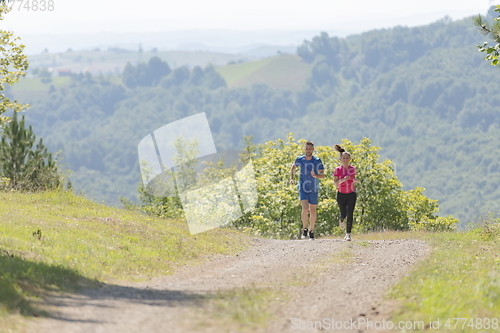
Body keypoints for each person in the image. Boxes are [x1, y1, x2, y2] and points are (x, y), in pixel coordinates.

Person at [289, 141, 325, 240]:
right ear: (304, 149)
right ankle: (305, 229)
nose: (308, 150)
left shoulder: (317, 160)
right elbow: (293, 168)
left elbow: (323, 175)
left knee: (312, 210)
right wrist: (291, 178)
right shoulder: (300, 159)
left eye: (310, 149)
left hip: (313, 188)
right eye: (307, 148)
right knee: (305, 209)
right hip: (303, 187)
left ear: (313, 149)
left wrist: (316, 175)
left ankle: (311, 230)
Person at [333, 144, 360, 241]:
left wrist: (357, 180)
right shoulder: (337, 170)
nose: (345, 159)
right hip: (341, 194)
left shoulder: (353, 169)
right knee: (343, 213)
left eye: (347, 158)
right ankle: (341, 219)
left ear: (349, 159)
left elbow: (354, 179)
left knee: (350, 213)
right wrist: (343, 180)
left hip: (351, 193)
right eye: (343, 158)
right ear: (341, 159)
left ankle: (348, 234)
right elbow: (335, 183)